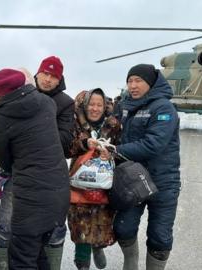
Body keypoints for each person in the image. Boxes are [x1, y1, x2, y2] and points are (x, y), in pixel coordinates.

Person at [0, 56, 75, 270]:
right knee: (8, 228)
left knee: (42, 236)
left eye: (54, 76)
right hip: (19, 174)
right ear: (37, 74)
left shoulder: (64, 103)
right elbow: (0, 137)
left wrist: (32, 139)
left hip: (46, 175)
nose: (48, 79)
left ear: (60, 80)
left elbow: (66, 141)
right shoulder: (19, 95)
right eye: (45, 74)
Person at [112, 64, 181, 270]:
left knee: (160, 236)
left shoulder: (163, 108)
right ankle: (130, 262)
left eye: (138, 81)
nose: (133, 86)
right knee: (123, 227)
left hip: (163, 181)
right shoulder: (123, 106)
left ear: (150, 83)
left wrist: (115, 149)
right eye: (130, 81)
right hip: (132, 180)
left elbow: (153, 145)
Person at [67, 88, 121, 270]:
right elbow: (66, 147)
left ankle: (98, 247)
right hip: (79, 181)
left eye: (99, 105)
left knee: (101, 222)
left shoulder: (113, 124)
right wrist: (84, 144)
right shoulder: (75, 123)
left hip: (103, 183)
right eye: (92, 104)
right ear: (85, 104)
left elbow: (121, 148)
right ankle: (82, 263)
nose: (95, 108)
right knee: (80, 225)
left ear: (105, 106)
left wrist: (111, 154)